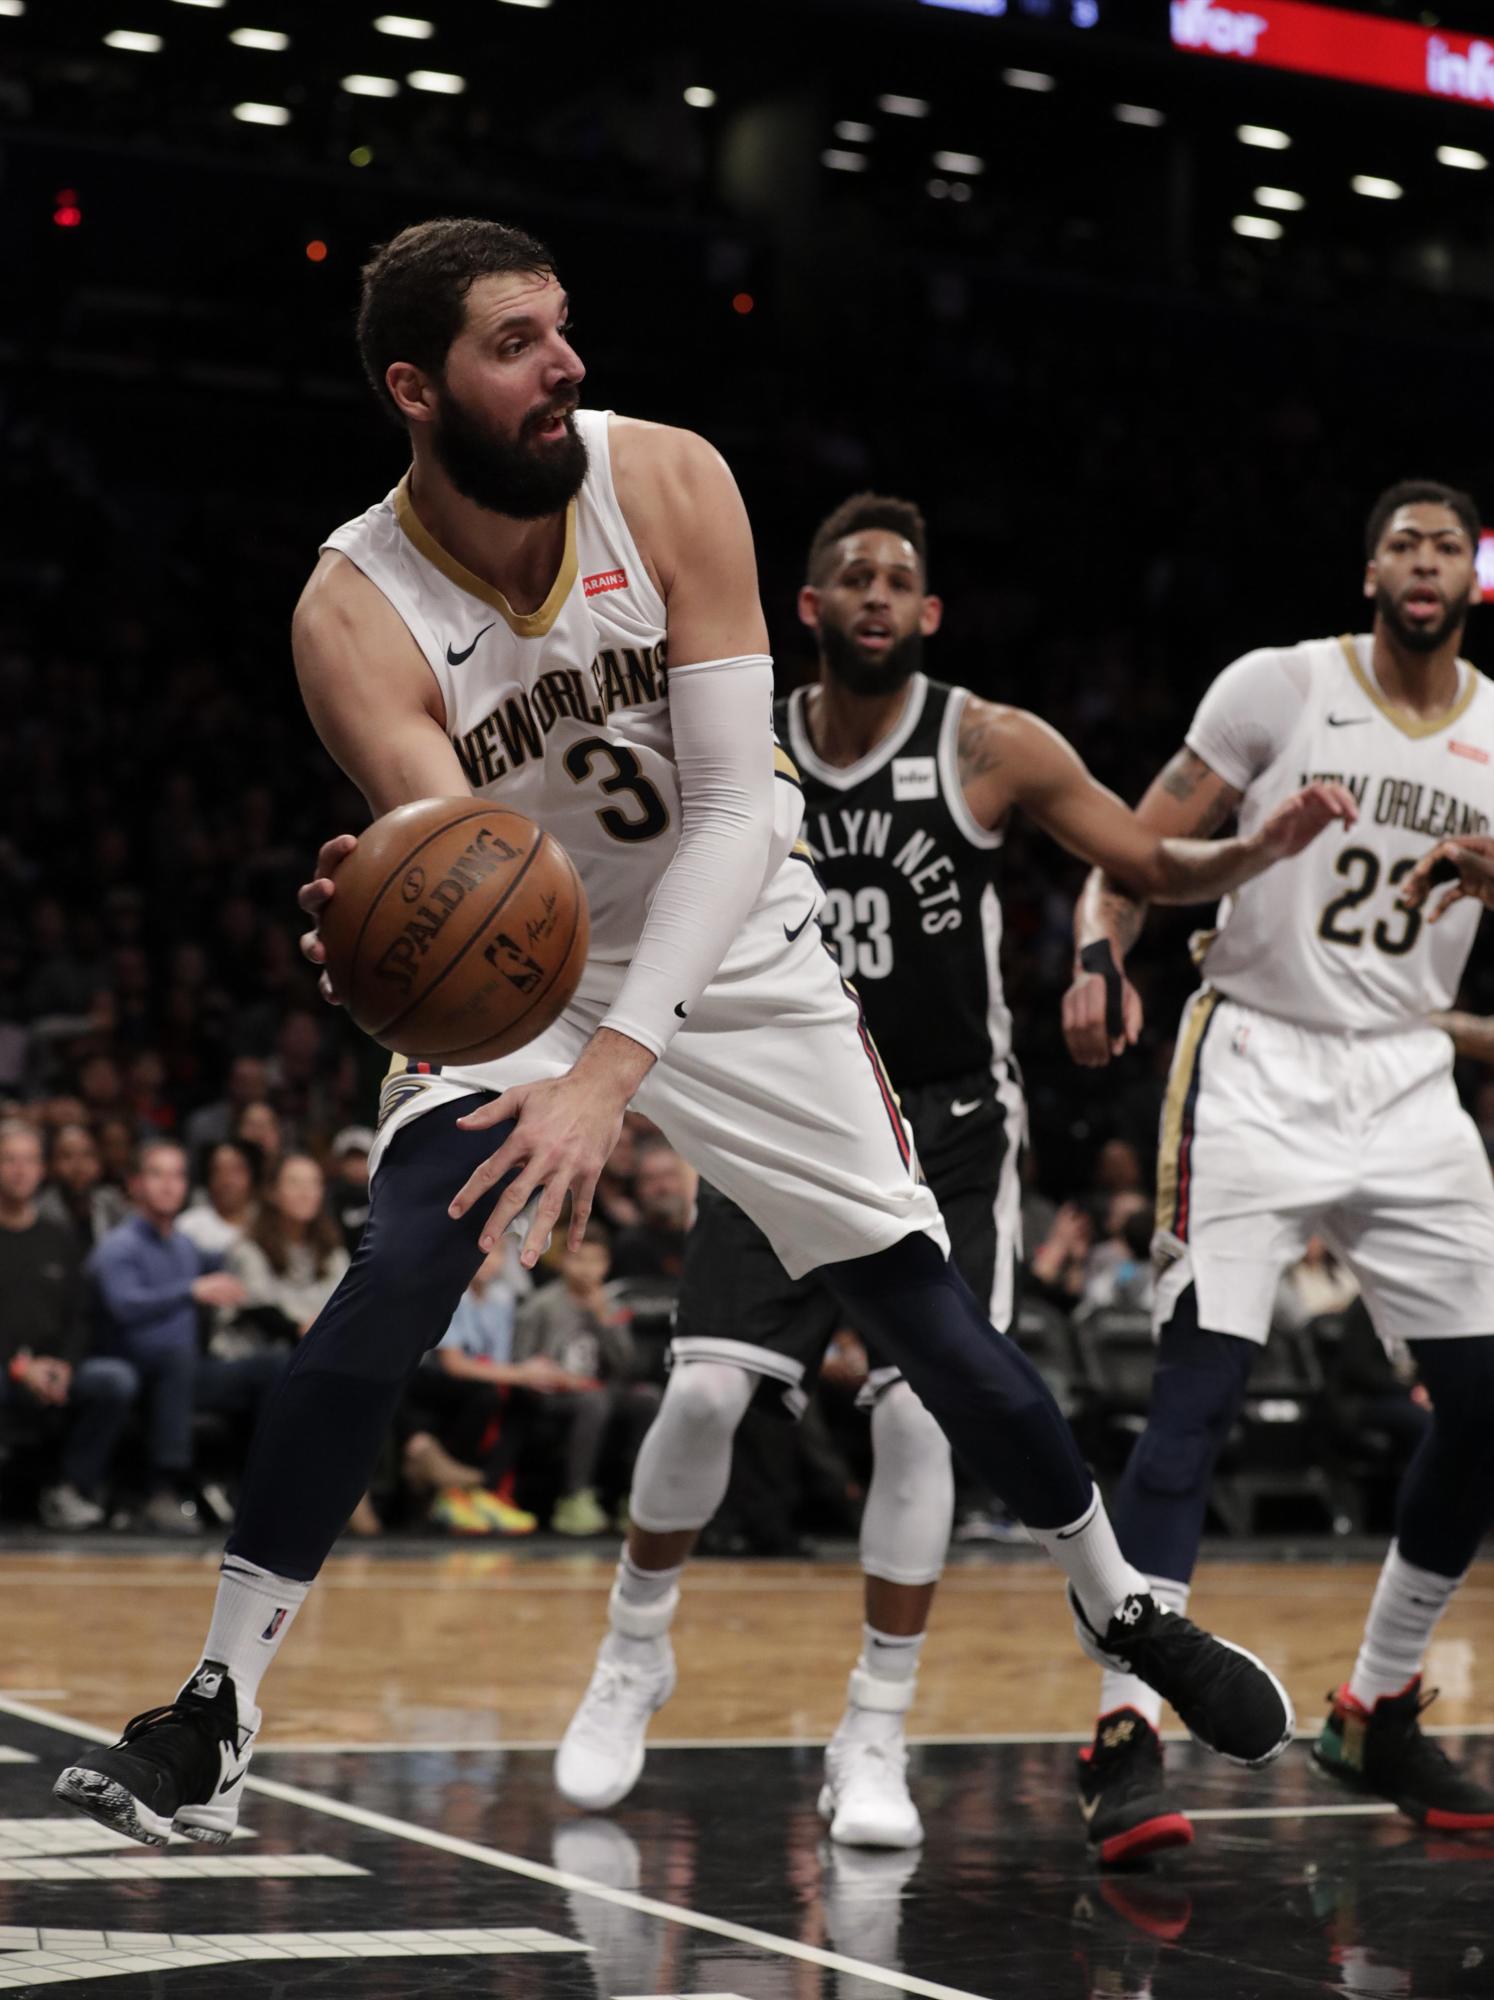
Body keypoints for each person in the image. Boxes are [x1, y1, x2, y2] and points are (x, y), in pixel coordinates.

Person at [56, 215, 1336, 1850]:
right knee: (393, 1272)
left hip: (737, 940)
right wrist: (391, 916)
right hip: (534, 967)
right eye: (513, 343)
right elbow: (462, 865)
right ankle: (221, 1708)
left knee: (924, 1318)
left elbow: (739, 805)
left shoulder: (661, 478)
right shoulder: (350, 608)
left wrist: (617, 1071)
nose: (563, 363)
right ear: (412, 387)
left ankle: (1111, 1602)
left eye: (562, 328)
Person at [556, 488, 1352, 1838]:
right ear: (803, 610)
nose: (874, 596)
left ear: (928, 615)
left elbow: (1142, 856)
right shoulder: (734, 739)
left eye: (898, 581)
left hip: (945, 1124)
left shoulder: (985, 743)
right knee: (696, 1406)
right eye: (849, 577)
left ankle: (874, 1730)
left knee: (921, 1420)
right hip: (778, 1099)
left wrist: (1251, 851)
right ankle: (634, 1646)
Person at [1062, 479, 1494, 1862]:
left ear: (1467, 578)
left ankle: (1373, 1703)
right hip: (1252, 1057)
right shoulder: (1277, 686)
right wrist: (1096, 951)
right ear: (1367, 568)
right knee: (1197, 1390)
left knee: (1484, 1405)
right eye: (1401, 543)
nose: (1421, 564)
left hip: (1407, 1075)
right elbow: (1133, 846)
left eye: (1445, 546)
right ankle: (1125, 1725)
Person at [86, 1141, 249, 1535]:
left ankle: (254, 1490)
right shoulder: (119, 1246)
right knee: (176, 1360)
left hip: (184, 1368)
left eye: (177, 1175)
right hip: (133, 1363)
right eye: (157, 1174)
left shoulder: (184, 1245)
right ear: (137, 1184)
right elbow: (124, 1305)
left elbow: (231, 1269)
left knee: (270, 1371)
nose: (168, 1185)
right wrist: (190, 1291)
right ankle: (162, 1489)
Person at [0, 1120, 137, 1531]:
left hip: (53, 1367)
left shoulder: (58, 1238)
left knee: (115, 1379)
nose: (20, 1170)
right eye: (9, 1160)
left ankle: (70, 1489)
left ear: (42, 1170)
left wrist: (65, 1365)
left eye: (28, 1161)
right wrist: (20, 1366)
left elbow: (80, 1316)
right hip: (7, 1370)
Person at [515, 1222, 660, 1534]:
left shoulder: (613, 1306)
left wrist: (604, 1320)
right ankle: (574, 1497)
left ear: (607, 1265)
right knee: (593, 1402)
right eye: (578, 1258)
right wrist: (557, 1379)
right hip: (554, 1394)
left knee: (647, 1398)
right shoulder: (541, 1305)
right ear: (562, 1261)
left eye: (596, 1261)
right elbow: (521, 1362)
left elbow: (627, 1367)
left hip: (600, 1389)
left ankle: (635, 1498)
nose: (587, 1269)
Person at [220, 1153, 349, 1353]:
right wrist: (302, 1329)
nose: (305, 1192)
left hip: (318, 1354)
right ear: (273, 1192)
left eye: (313, 1183)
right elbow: (258, 1311)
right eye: (294, 1183)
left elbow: (345, 1309)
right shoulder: (249, 1250)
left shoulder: (334, 1253)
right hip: (258, 1358)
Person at [37, 1122, 130, 1252]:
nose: (79, 1166)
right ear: (51, 1165)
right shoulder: (39, 1211)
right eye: (67, 1156)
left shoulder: (113, 1203)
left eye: (87, 1155)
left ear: (99, 1163)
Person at [176, 1140, 262, 1259]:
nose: (227, 1180)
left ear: (252, 1175)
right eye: (218, 1170)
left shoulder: (267, 1223)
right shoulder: (188, 1227)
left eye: (236, 1170)